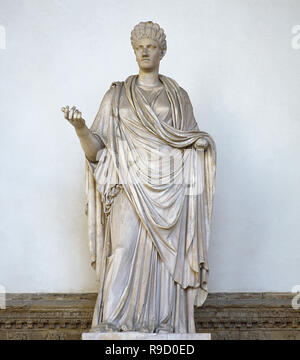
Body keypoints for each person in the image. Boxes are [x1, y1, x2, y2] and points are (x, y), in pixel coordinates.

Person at [61, 21, 216, 333]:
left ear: (162, 52)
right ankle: (111, 321)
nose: (145, 51)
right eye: (140, 46)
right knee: (122, 248)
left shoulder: (177, 96)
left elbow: (189, 138)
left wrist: (200, 144)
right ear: (133, 52)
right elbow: (96, 152)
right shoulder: (116, 96)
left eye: (151, 46)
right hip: (127, 185)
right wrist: (80, 129)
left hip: (170, 189)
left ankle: (166, 323)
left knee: (164, 258)